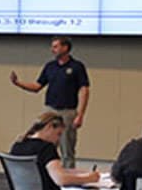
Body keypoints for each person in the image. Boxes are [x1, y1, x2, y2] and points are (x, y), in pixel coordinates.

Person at [9, 36, 90, 168]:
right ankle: (47, 174)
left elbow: (84, 90)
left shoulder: (77, 67)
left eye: (56, 46)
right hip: (50, 111)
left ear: (65, 48)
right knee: (44, 144)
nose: (52, 50)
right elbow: (37, 86)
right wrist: (18, 83)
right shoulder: (50, 66)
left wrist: (80, 114)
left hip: (68, 111)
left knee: (67, 148)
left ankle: (67, 180)